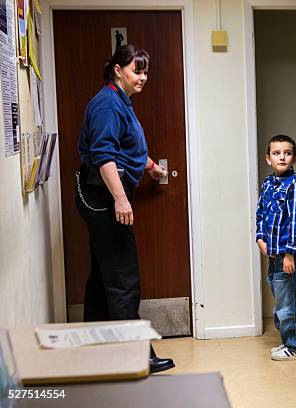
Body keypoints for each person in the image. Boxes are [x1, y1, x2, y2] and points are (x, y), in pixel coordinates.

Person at [75, 44, 174, 373]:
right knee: (123, 279)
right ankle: (135, 357)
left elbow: (122, 145)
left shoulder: (118, 100)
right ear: (118, 70)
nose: (143, 77)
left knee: (104, 276)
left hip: (99, 192)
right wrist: (120, 198)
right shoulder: (107, 104)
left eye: (146, 71)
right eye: (137, 70)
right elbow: (104, 155)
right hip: (102, 195)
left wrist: (147, 165)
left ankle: (97, 349)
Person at [256, 134, 296, 361]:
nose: (282, 157)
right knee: (281, 299)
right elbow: (261, 213)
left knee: (287, 303)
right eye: (277, 153)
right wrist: (260, 238)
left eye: (287, 153)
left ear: (294, 158)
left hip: (288, 255)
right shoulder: (268, 184)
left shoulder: (295, 187)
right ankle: (288, 341)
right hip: (273, 253)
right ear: (268, 158)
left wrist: (289, 254)